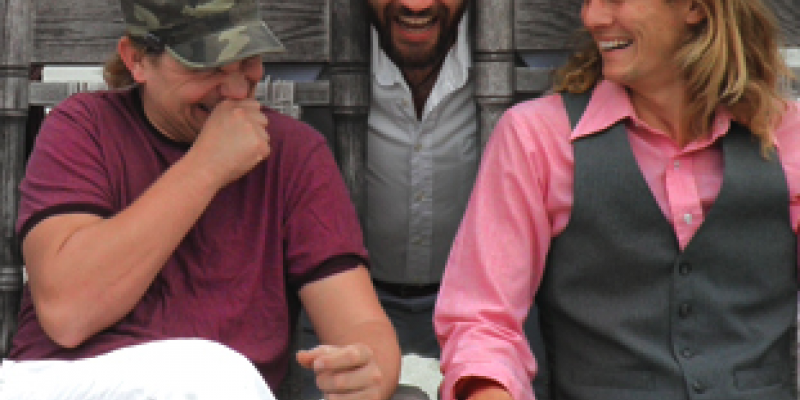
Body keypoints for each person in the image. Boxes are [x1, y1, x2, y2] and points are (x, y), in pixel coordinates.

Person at [1, 0, 401, 399]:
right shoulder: (82, 128)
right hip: (69, 382)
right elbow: (67, 313)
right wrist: (207, 166)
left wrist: (369, 372)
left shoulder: (294, 154)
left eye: (249, 60)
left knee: (217, 376)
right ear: (136, 59)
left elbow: (360, 324)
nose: (237, 90)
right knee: (212, 372)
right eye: (207, 66)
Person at [435, 0, 799, 399]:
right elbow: (483, 323)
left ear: (696, 7)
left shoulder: (789, 136)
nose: (593, 18)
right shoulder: (537, 138)